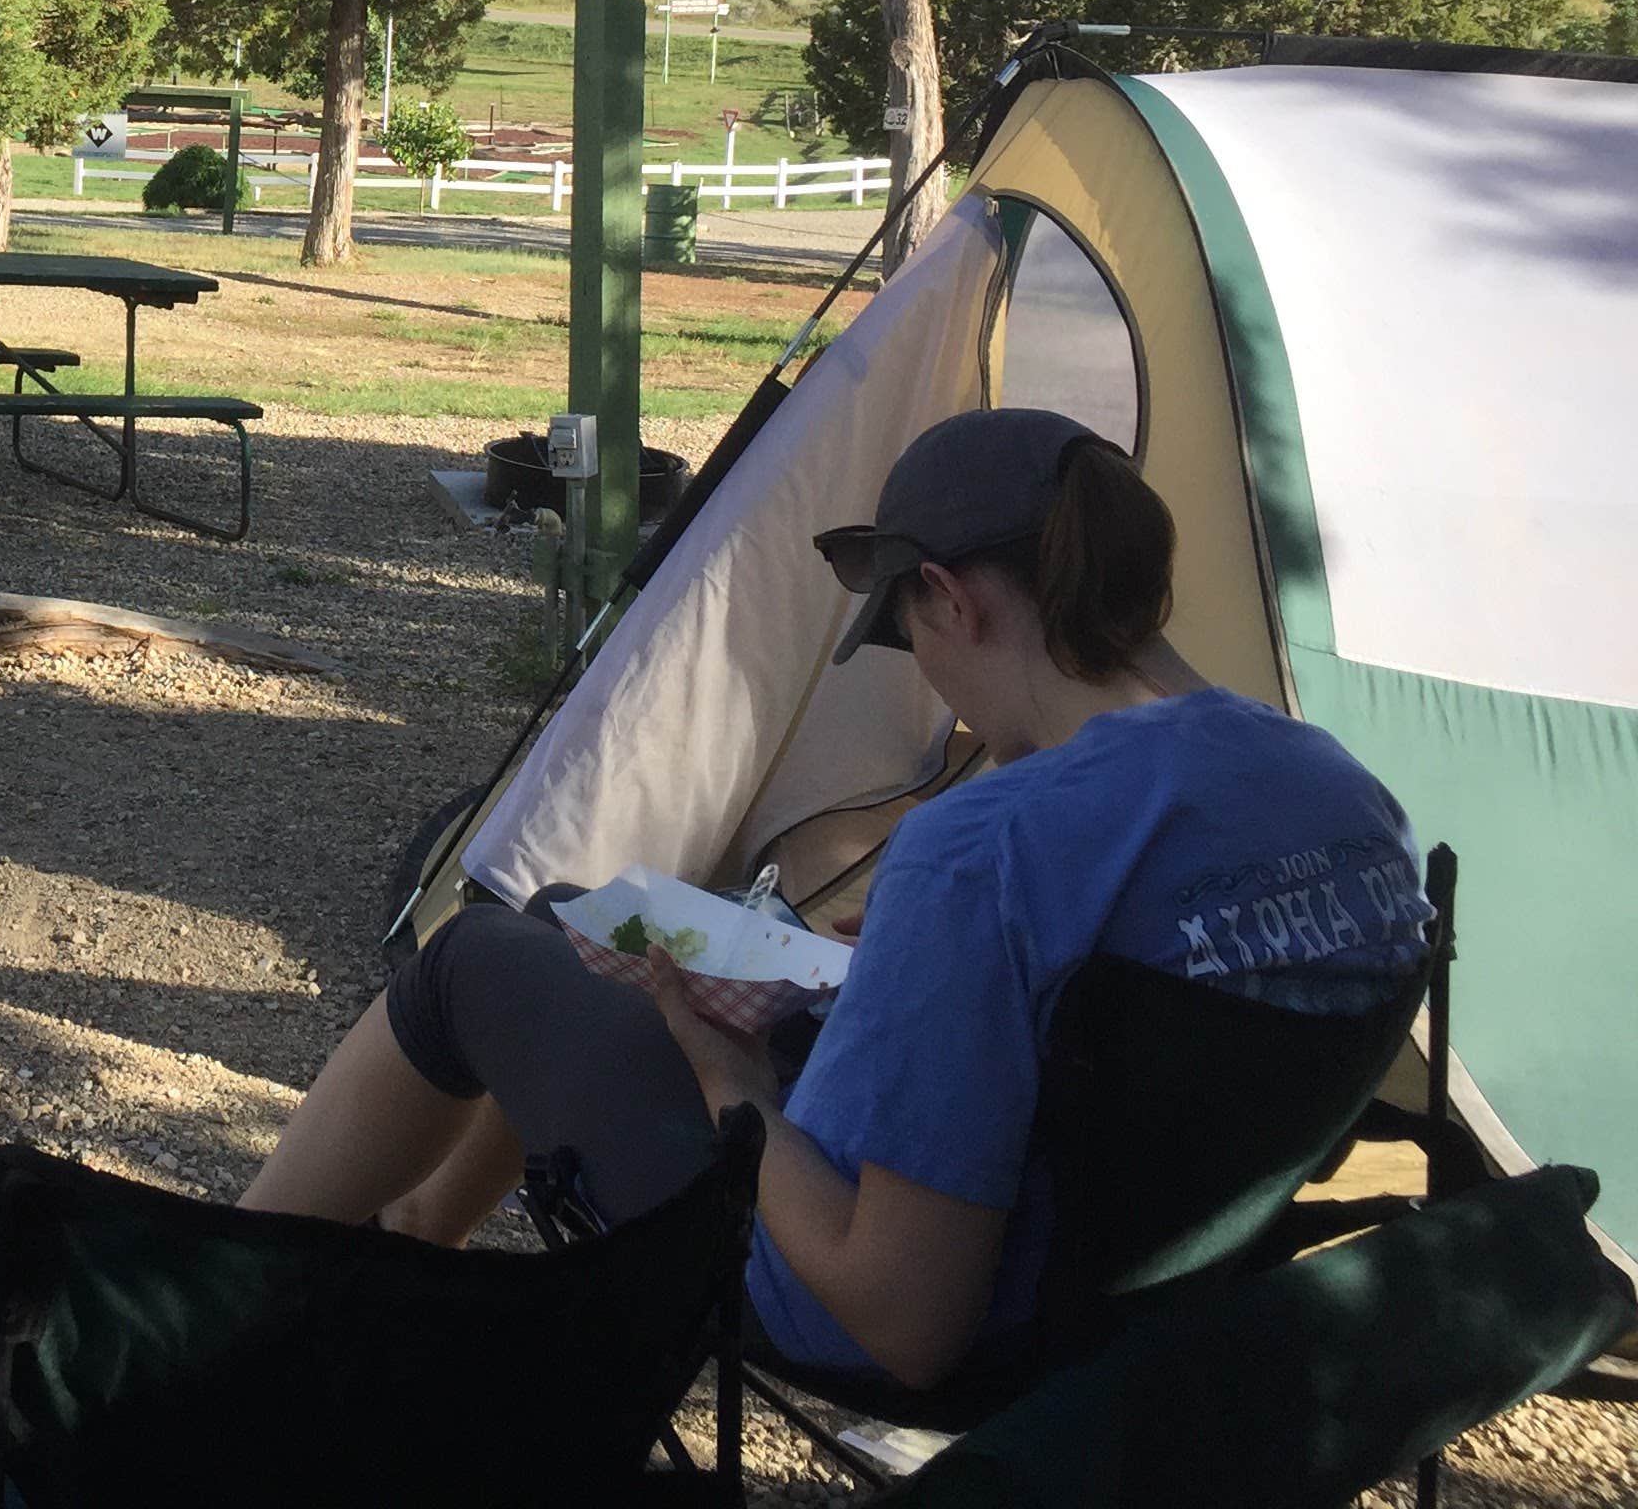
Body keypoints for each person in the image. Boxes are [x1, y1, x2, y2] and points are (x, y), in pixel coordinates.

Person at [238, 406, 1429, 1391]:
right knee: (572, 915)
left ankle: (216, 1318)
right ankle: (410, 1247)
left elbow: (899, 1321)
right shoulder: (1336, 791)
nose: (947, 699)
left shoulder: (984, 847)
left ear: (953, 601)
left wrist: (732, 1084)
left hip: (907, 1319)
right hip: (1144, 1296)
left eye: (915, 643)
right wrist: (911, 971)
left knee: (474, 960)